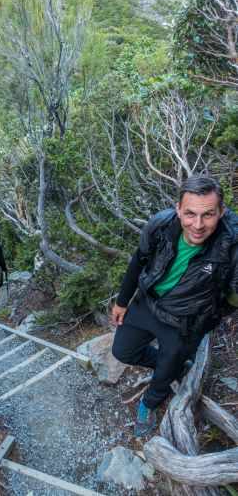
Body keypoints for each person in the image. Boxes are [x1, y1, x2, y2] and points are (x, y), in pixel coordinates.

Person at [111, 176, 238, 438]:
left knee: (165, 373)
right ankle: (174, 364)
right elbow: (139, 260)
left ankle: (149, 403)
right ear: (178, 208)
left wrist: (210, 319)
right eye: (190, 213)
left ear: (221, 212)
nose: (198, 225)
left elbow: (233, 295)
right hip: (148, 302)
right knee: (123, 351)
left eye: (208, 215)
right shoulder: (161, 225)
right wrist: (123, 301)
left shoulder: (231, 244)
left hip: (186, 321)